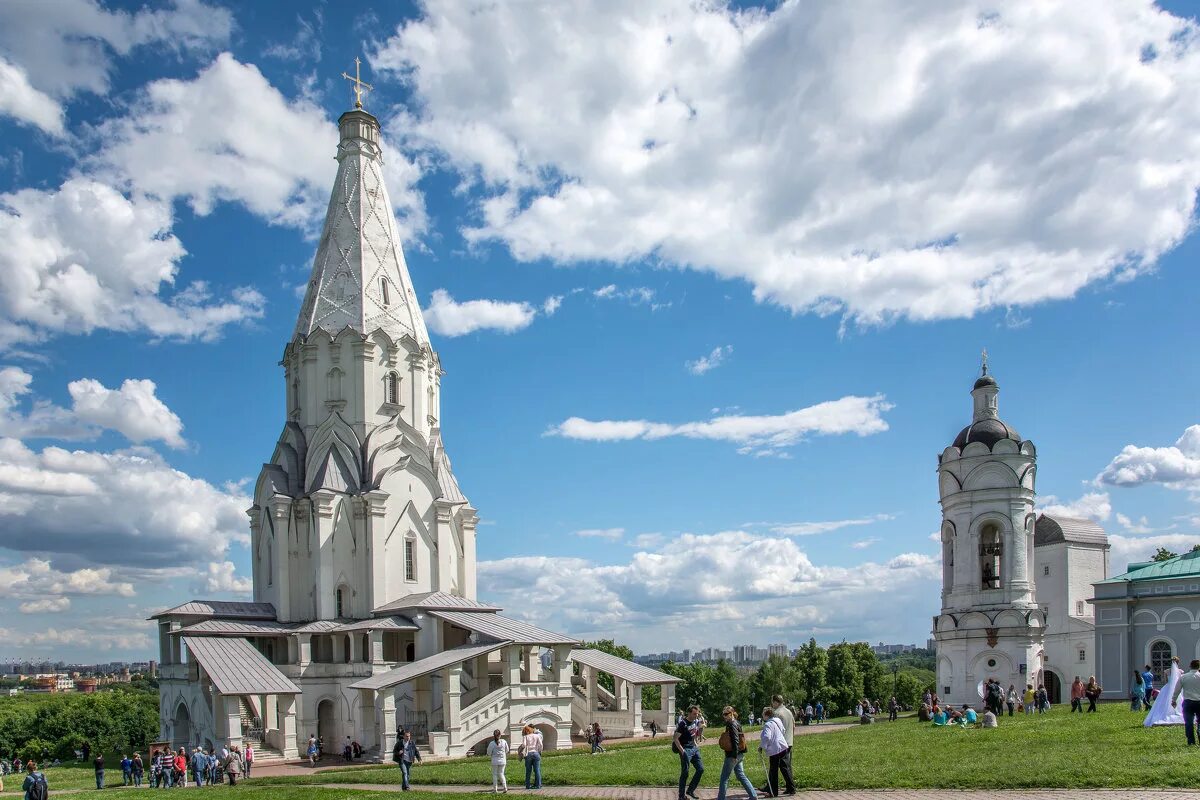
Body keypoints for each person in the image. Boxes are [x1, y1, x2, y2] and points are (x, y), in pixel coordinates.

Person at [716, 706, 755, 800]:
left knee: (724, 777)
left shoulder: (731, 723)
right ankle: (753, 795)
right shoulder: (737, 722)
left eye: (726, 714)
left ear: (732, 713)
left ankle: (721, 798)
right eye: (723, 714)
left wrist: (734, 756)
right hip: (740, 753)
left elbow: (735, 740)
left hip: (733, 755)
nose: (724, 716)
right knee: (740, 775)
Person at [674, 704, 705, 800]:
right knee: (685, 773)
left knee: (700, 769)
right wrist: (682, 751)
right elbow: (675, 738)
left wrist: (696, 743)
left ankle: (690, 790)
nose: (696, 715)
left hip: (694, 748)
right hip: (685, 750)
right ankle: (681, 796)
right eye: (695, 713)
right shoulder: (683, 724)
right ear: (689, 713)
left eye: (697, 713)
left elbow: (696, 733)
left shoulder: (695, 721)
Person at [768, 695, 795, 796]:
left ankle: (786, 788)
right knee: (786, 766)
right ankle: (789, 787)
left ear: (776, 702)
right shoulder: (788, 712)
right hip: (789, 741)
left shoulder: (777, 713)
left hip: (780, 743)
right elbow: (793, 726)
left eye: (773, 702)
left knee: (778, 766)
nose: (772, 704)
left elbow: (775, 729)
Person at [759, 707, 787, 797]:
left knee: (773, 771)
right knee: (777, 769)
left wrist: (762, 746)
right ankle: (772, 789)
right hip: (782, 746)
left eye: (763, 714)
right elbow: (783, 730)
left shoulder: (768, 724)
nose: (762, 716)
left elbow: (767, 737)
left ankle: (773, 792)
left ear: (766, 715)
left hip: (775, 749)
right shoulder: (777, 720)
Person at [486, 729, 509, 794]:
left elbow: (489, 753)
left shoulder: (492, 743)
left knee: (495, 775)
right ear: (500, 735)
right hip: (502, 760)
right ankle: (505, 787)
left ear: (494, 735)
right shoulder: (504, 741)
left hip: (494, 761)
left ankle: (495, 789)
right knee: (501, 774)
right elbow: (507, 750)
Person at [519, 725, 542, 790]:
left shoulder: (525, 737)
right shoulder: (537, 736)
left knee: (528, 770)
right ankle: (538, 785)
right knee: (537, 770)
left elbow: (524, 745)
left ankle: (528, 785)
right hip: (536, 753)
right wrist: (539, 751)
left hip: (528, 754)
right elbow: (540, 745)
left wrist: (521, 750)